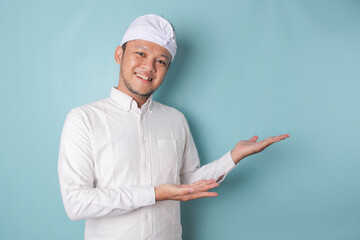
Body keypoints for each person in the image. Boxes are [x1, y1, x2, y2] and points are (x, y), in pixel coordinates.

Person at [58, 14, 290, 240]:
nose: (149, 67)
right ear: (119, 54)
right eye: (140, 53)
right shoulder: (84, 119)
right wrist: (154, 194)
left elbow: (188, 184)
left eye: (161, 61)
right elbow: (77, 203)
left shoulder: (175, 119)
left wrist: (232, 157)